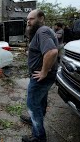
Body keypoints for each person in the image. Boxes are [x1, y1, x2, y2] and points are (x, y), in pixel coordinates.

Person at [21, 9, 59, 142]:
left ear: (41, 18)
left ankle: (39, 137)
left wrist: (44, 71)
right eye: (27, 20)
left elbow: (52, 52)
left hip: (41, 77)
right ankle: (35, 119)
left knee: (32, 104)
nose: (28, 22)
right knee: (40, 101)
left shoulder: (41, 31)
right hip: (45, 76)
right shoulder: (44, 31)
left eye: (31, 19)